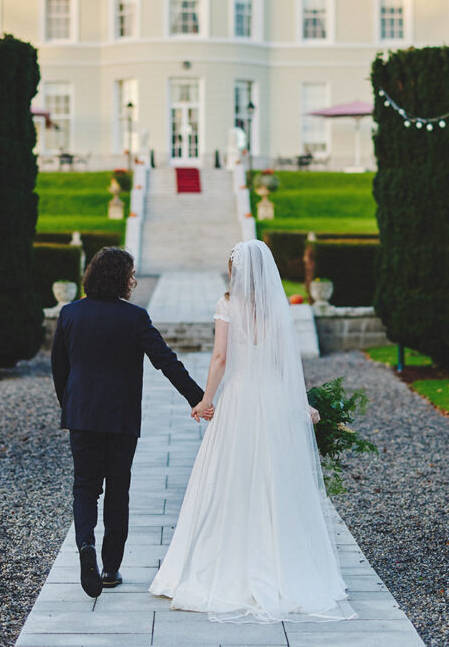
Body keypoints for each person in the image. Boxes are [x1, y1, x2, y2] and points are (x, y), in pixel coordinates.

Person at [149, 239, 355, 623]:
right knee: (276, 477)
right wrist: (300, 403)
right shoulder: (278, 306)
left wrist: (206, 400)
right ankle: (284, 562)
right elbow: (284, 364)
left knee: (230, 477)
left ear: (236, 271)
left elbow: (220, 357)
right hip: (274, 397)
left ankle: (227, 561)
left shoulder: (228, 304)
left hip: (240, 397)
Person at [51, 247, 211, 598]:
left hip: (82, 415)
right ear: (121, 279)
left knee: (85, 486)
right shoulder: (135, 317)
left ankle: (85, 546)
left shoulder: (70, 313)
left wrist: (71, 406)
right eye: (131, 274)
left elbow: (59, 368)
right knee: (117, 488)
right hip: (121, 416)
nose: (133, 280)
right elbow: (166, 361)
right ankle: (110, 568)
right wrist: (198, 399)